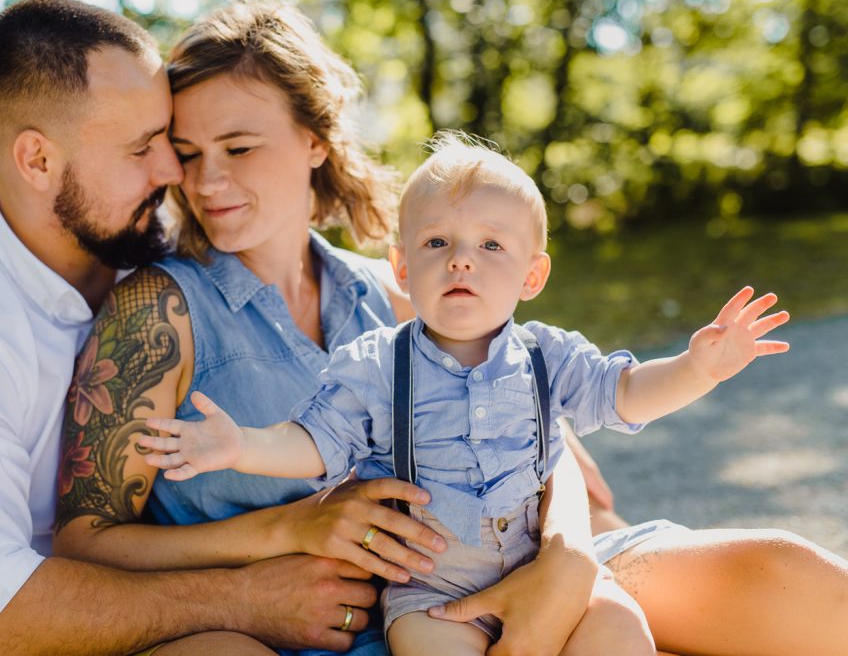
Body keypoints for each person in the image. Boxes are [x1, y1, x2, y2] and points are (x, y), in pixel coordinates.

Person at [51, 0, 848, 656]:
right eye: (188, 153)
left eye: (239, 146)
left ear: (314, 141)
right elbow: (85, 539)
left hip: (508, 564)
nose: (207, 181)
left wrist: (567, 559)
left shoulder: (393, 288)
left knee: (794, 577)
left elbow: (543, 432)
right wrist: (281, 534)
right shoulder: (159, 311)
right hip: (367, 618)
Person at [135, 131, 796, 655]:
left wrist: (696, 368)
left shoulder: (548, 356)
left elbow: (627, 394)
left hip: (539, 566)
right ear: (402, 267)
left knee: (619, 629)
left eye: (490, 244)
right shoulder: (377, 363)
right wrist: (240, 445)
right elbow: (312, 442)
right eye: (437, 242)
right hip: (433, 594)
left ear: (532, 275)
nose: (461, 259)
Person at [0, 0, 388, 656]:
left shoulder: (149, 229)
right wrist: (245, 595)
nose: (178, 175)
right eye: (144, 147)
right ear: (38, 161)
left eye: (168, 139)